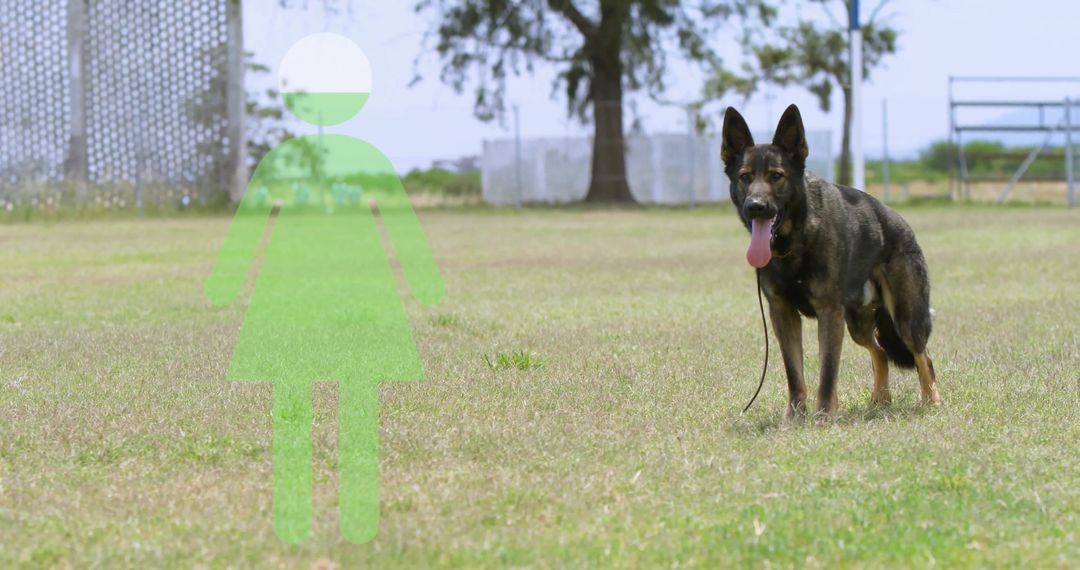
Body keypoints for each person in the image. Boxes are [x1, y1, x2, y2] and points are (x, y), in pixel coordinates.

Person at [206, 33, 443, 545]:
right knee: (342, 399)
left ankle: (304, 520)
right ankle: (348, 520)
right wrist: (425, 285)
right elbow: (402, 227)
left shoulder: (290, 160)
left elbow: (248, 228)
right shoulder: (353, 158)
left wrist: (225, 284)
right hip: (333, 296)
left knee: (308, 400)